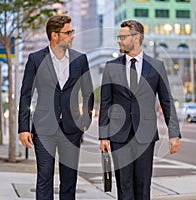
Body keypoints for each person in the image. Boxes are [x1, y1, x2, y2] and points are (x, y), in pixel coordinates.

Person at [99, 20, 181, 200]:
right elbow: (105, 102)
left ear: (136, 38)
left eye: (122, 37)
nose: (119, 40)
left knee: (143, 186)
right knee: (124, 186)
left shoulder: (156, 66)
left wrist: (174, 134)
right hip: (119, 136)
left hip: (145, 135)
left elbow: (166, 101)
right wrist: (104, 135)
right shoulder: (111, 66)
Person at [18, 15, 94, 200]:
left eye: (72, 32)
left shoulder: (80, 59)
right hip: (44, 128)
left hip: (71, 129)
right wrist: (23, 128)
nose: (72, 36)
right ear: (54, 35)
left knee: (69, 179)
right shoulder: (35, 59)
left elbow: (88, 92)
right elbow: (26, 94)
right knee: (44, 177)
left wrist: (85, 120)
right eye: (68, 32)